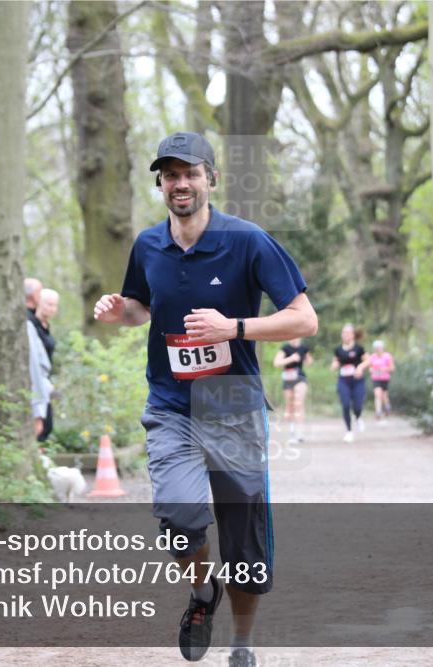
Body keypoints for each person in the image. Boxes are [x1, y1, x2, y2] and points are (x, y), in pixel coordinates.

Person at [93, 131, 317, 667]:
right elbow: (142, 307)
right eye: (170, 175)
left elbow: (304, 318)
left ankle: (242, 645)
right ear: (161, 185)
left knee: (243, 540)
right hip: (171, 406)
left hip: (233, 407)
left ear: (210, 179)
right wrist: (118, 310)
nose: (181, 184)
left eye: (191, 173)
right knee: (179, 517)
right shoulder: (149, 245)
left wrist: (233, 328)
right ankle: (201, 593)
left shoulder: (248, 241)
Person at [27, 288, 59, 442]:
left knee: (47, 424)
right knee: (40, 423)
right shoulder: (31, 325)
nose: (51, 309)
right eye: (48, 304)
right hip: (36, 379)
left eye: (54, 305)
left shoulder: (46, 327)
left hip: (46, 381)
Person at [331, 323, 369, 442]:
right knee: (346, 404)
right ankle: (349, 431)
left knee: (358, 405)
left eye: (348, 333)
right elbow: (334, 364)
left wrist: (360, 367)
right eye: (343, 333)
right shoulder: (338, 350)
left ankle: (358, 417)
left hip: (357, 381)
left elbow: (368, 361)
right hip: (343, 381)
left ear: (353, 335)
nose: (345, 335)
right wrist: (335, 366)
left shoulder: (359, 349)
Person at [273, 338, 313, 444]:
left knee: (298, 404)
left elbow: (310, 362)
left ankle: (300, 433)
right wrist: (290, 359)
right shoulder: (285, 348)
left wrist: (306, 358)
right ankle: (292, 432)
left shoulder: (303, 348)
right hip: (288, 379)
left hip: (300, 377)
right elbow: (276, 363)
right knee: (290, 406)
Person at [369, 339, 395, 421]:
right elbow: (370, 367)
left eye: (379, 348)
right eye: (376, 348)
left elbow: (392, 368)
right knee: (377, 394)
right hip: (376, 378)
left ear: (382, 348)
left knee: (384, 395)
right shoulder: (372, 357)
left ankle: (387, 406)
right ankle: (378, 411)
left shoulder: (387, 356)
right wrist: (373, 370)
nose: (378, 349)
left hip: (385, 378)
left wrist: (384, 369)